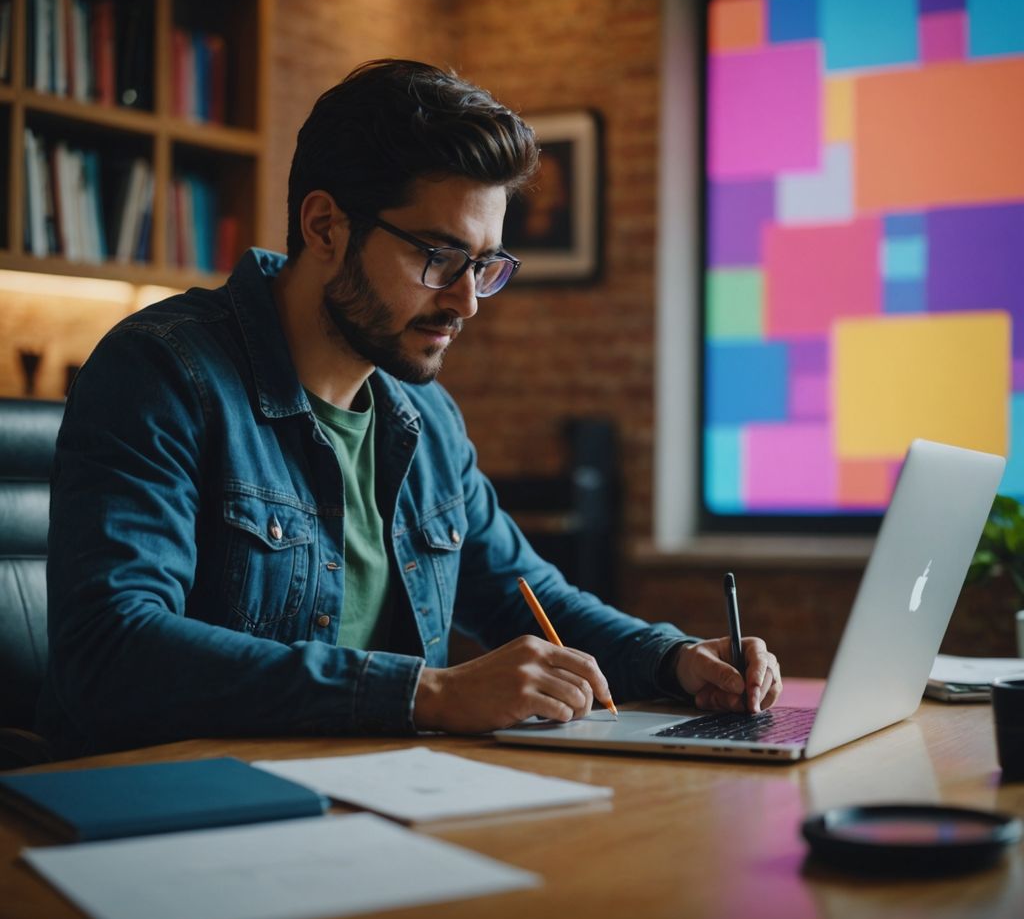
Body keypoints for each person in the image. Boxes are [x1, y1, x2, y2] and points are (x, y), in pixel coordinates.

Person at [39, 59, 781, 758]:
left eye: (485, 265)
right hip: (176, 818)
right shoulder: (162, 371)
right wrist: (428, 694)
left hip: (376, 799)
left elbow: (528, 594)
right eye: (437, 255)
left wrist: (676, 658)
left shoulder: (424, 419)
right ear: (325, 226)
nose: (465, 300)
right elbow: (112, 649)